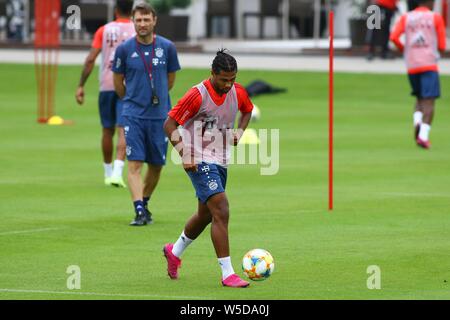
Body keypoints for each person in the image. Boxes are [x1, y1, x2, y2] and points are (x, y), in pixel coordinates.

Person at [162, 50, 254, 288]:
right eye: (224, 79)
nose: (228, 84)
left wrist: (240, 132)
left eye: (232, 79)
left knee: (205, 214)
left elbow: (248, 110)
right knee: (221, 209)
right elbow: (169, 124)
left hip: (221, 159)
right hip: (198, 159)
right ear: (212, 73)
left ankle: (175, 251)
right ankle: (228, 273)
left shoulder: (238, 91)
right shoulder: (197, 95)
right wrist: (184, 153)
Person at [112, 2, 180, 226]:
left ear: (154, 21)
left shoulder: (167, 47)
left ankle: (145, 202)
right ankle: (139, 209)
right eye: (138, 20)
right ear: (133, 21)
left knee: (156, 165)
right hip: (133, 115)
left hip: (160, 116)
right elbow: (118, 85)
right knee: (134, 164)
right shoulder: (124, 49)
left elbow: (170, 81)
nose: (142, 24)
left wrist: (155, 96)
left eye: (146, 19)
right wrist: (133, 100)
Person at [75, 0, 135, 188]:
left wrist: (81, 85)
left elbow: (90, 59)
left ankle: (108, 172)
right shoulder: (138, 30)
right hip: (128, 86)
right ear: (132, 10)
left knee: (106, 130)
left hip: (107, 85)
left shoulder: (104, 30)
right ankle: (118, 172)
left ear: (116, 10)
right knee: (123, 129)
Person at [390, 0, 446, 149]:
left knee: (419, 97)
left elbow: (394, 37)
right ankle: (423, 136)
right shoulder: (435, 17)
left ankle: (417, 121)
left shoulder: (406, 17)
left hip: (412, 64)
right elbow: (441, 46)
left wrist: (404, 50)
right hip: (429, 63)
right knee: (429, 100)